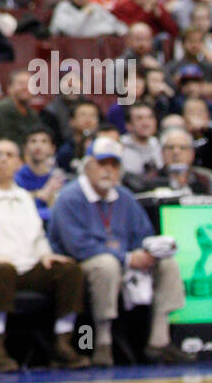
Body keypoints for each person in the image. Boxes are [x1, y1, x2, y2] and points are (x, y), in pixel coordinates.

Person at [49, 137, 193, 366]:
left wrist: (147, 252)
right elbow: (76, 245)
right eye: (102, 163)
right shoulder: (70, 197)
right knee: (106, 264)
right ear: (88, 166)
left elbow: (142, 233)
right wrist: (126, 258)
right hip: (80, 265)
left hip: (126, 262)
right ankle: (103, 343)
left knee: (167, 264)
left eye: (114, 165)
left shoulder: (124, 196)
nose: (108, 170)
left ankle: (159, 341)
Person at [0, 140, 86, 372]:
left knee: (69, 270)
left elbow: (38, 238)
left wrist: (46, 255)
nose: (3, 159)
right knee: (5, 271)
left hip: (25, 266)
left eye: (9, 155)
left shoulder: (23, 198)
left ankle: (63, 341)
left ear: (19, 163)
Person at [14, 129, 65, 223]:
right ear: (25, 148)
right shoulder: (16, 178)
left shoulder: (58, 178)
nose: (38, 146)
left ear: (52, 149)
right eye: (33, 141)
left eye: (44, 141)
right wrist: (43, 193)